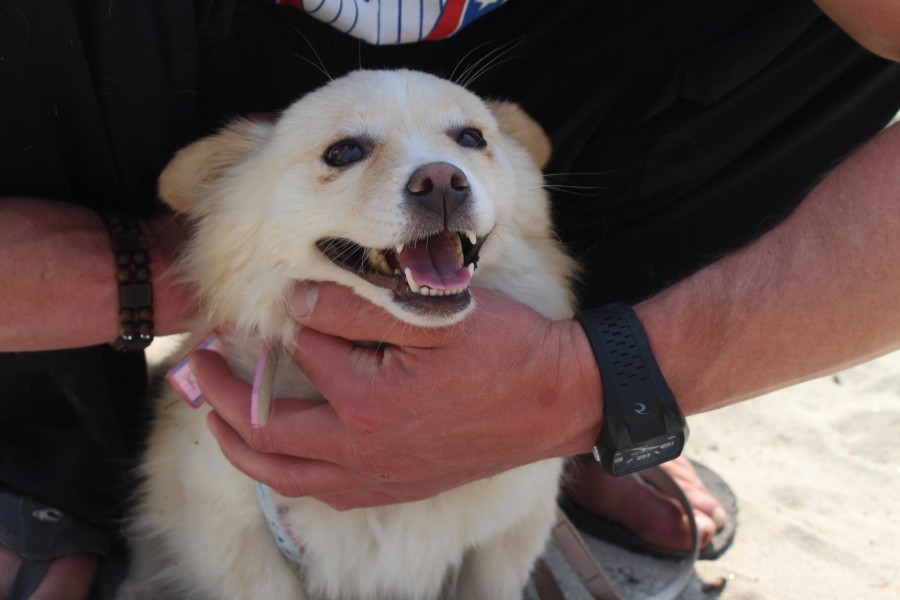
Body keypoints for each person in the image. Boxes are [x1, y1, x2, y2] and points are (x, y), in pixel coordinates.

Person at [1, 0, 899, 598]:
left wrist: (605, 379)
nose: (439, 175)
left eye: (469, 143)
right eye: (349, 153)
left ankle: (582, 422)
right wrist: (160, 275)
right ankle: (37, 463)